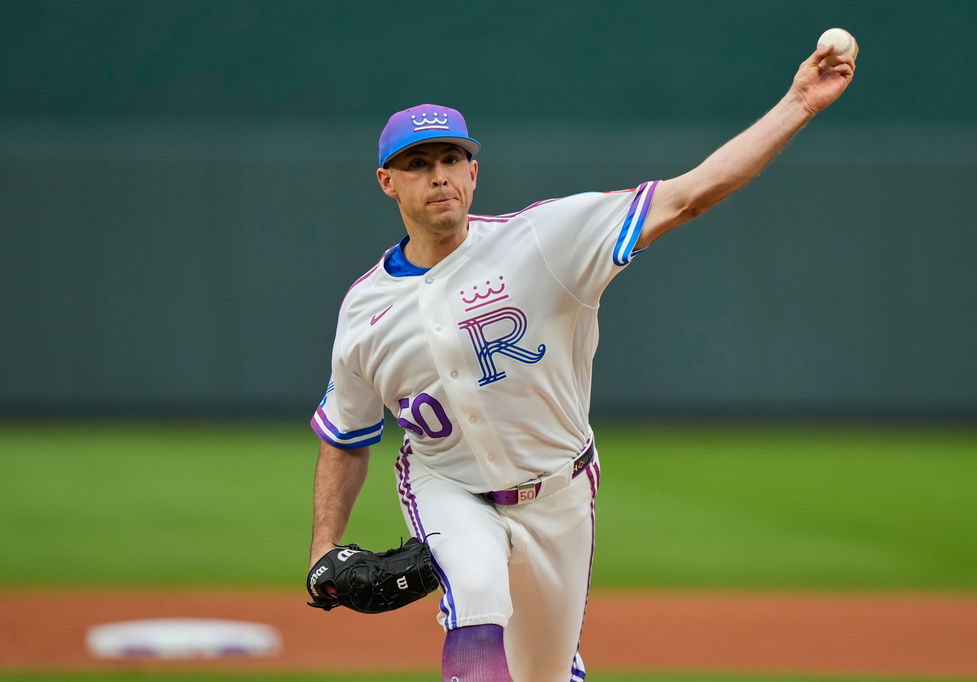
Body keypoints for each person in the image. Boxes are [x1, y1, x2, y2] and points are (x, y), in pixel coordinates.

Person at [309, 43, 855, 682]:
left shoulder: (543, 240)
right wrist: (323, 548)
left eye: (452, 158)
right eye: (418, 163)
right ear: (388, 182)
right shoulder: (363, 309)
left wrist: (798, 104)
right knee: (476, 593)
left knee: (545, 672)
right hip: (445, 484)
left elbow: (688, 198)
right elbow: (346, 437)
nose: (439, 176)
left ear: (474, 172)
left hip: (559, 489)